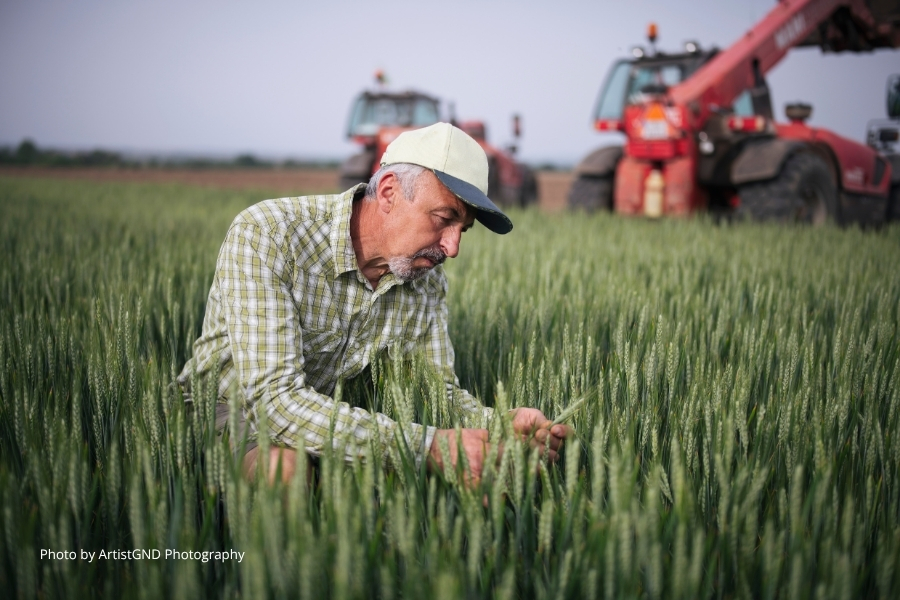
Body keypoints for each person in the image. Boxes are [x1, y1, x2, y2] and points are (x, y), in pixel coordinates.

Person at [176, 122, 571, 485]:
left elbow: (438, 391)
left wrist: (499, 424)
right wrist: (429, 447)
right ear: (388, 193)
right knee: (286, 470)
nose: (452, 248)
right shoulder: (269, 234)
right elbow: (275, 401)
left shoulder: (425, 281)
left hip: (330, 419)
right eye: (443, 218)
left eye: (462, 229)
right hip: (228, 409)